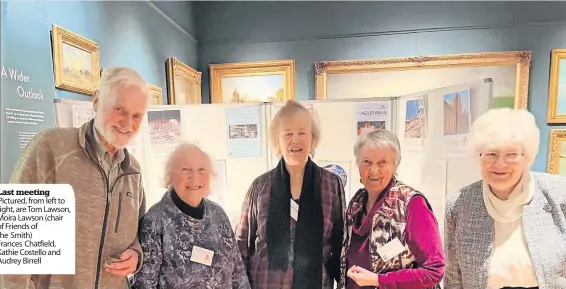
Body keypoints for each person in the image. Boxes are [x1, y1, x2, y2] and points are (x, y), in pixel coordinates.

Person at [1, 67, 151, 289]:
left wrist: (136, 255)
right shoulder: (51, 148)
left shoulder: (133, 171)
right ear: (97, 101)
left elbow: (139, 235)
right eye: (119, 109)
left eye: (137, 115)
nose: (128, 124)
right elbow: (14, 249)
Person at [444, 108, 566, 289]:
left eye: (512, 154)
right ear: (479, 155)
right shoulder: (459, 204)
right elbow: (453, 276)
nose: (500, 164)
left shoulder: (559, 193)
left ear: (527, 156)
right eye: (491, 154)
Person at [235, 100, 346, 289]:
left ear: (313, 138)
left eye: (302, 132)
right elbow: (242, 245)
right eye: (288, 134)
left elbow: (341, 243)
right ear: (277, 141)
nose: (295, 140)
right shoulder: (260, 187)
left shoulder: (331, 184)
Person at [132, 143, 250, 289]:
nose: (195, 177)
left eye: (201, 170)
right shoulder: (155, 220)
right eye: (185, 170)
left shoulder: (218, 214)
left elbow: (237, 272)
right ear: (170, 176)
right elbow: (144, 283)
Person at [340, 129, 445, 289]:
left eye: (382, 162)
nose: (373, 170)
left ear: (396, 164)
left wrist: (379, 280)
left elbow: (434, 271)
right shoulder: (356, 203)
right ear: (357, 163)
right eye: (367, 161)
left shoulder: (412, 204)